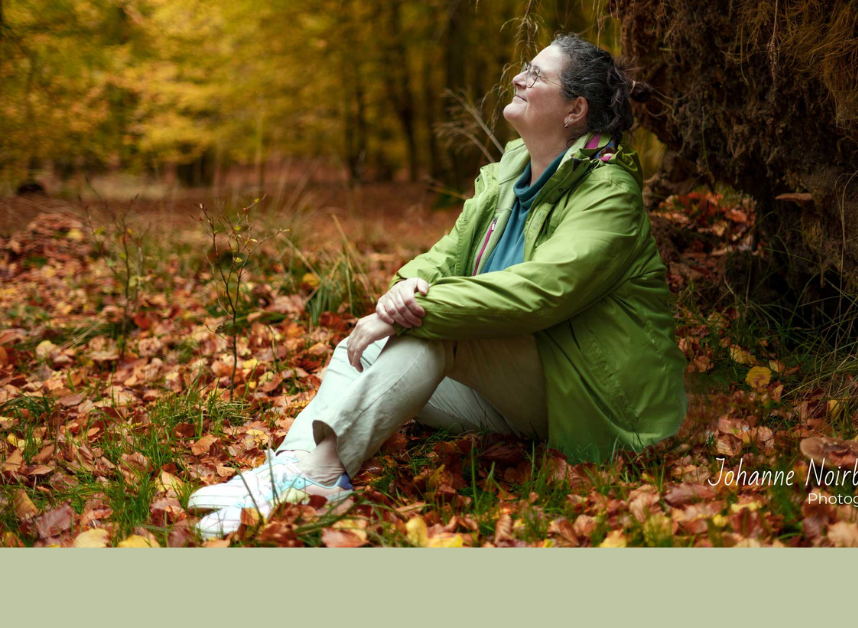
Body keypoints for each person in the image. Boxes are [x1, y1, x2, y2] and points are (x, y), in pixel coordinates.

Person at [190, 33, 688, 537]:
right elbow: (448, 254)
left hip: (591, 398)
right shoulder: (510, 171)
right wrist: (404, 289)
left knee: (435, 328)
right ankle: (295, 466)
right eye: (525, 68)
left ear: (574, 109)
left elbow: (541, 291)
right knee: (361, 345)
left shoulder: (608, 193)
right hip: (515, 386)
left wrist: (412, 309)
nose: (518, 77)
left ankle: (320, 478)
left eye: (537, 75)